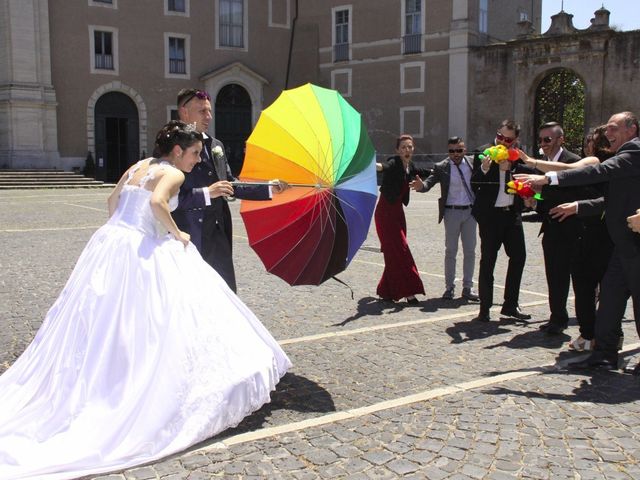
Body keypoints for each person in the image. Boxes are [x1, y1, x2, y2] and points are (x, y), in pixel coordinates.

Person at [0, 121, 291, 479]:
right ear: (178, 151)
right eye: (195, 154)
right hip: (142, 246)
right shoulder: (172, 173)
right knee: (161, 315)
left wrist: (120, 233)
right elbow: (157, 202)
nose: (197, 160)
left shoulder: (138, 166)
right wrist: (176, 232)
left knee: (105, 317)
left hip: (110, 243)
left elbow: (112, 200)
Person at [515, 111, 640, 373]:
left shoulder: (634, 151)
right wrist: (579, 206)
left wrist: (547, 178)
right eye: (607, 129)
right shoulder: (624, 157)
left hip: (633, 245)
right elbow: (610, 201)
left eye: (614, 128)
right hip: (621, 246)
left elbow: (597, 171)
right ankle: (605, 353)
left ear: (632, 129)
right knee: (610, 301)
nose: (608, 134)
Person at [171, 88, 286, 293]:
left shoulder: (216, 145)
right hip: (187, 234)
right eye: (202, 111)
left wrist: (269, 187)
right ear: (184, 112)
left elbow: (230, 184)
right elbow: (168, 198)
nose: (209, 116)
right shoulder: (170, 146)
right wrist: (207, 192)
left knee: (224, 292)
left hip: (218, 234)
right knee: (191, 295)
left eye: (209, 110)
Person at [519, 125, 614, 350]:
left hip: (583, 230)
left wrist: (532, 164)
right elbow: (552, 191)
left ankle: (593, 334)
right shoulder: (604, 163)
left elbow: (567, 171)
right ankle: (587, 330)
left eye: (590, 140)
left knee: (587, 285)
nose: (586, 144)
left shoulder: (591, 162)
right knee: (565, 278)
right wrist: (534, 200)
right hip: (562, 227)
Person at [470, 119, 532, 322]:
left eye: (508, 139)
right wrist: (487, 169)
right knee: (488, 261)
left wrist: (510, 169)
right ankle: (484, 307)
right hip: (490, 216)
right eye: (500, 136)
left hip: (511, 214)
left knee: (519, 257)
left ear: (515, 140)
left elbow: (527, 178)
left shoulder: (518, 154)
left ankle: (510, 305)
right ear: (496, 133)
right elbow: (474, 183)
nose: (503, 142)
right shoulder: (484, 151)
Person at [410, 136, 479, 301]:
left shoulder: (472, 163)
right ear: (448, 151)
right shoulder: (442, 167)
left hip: (470, 212)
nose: (455, 154)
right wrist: (421, 187)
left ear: (464, 149)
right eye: (451, 151)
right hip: (451, 212)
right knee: (451, 251)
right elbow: (429, 183)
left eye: (459, 150)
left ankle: (468, 288)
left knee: (470, 251)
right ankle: (449, 287)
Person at [375, 134, 430, 305]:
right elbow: (383, 167)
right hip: (385, 214)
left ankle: (386, 291)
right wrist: (369, 164)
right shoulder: (394, 163)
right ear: (397, 150)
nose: (407, 150)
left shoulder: (410, 166)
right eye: (404, 147)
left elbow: (423, 172)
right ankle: (409, 292)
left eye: (410, 147)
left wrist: (442, 171)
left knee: (395, 253)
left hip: (398, 214)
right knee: (402, 250)